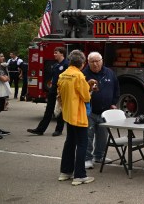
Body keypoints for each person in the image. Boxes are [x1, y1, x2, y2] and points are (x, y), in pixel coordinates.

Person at [57, 50, 94, 186]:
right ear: (82, 64)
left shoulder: (63, 75)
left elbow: (59, 92)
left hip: (67, 113)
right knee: (82, 144)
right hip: (78, 114)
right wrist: (89, 88)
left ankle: (65, 172)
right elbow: (86, 96)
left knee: (70, 142)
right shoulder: (79, 76)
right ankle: (79, 175)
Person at [82, 52, 119, 169]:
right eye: (92, 61)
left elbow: (116, 89)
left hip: (105, 112)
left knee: (103, 136)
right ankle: (87, 159)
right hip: (89, 111)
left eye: (97, 61)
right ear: (88, 63)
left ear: (102, 61)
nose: (95, 64)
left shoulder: (109, 73)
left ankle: (99, 156)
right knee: (88, 136)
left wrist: (113, 103)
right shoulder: (83, 74)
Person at [28, 47, 69, 136]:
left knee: (59, 110)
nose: (54, 54)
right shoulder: (55, 65)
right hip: (53, 88)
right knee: (48, 110)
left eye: (56, 53)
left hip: (61, 89)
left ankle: (58, 130)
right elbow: (53, 77)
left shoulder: (66, 64)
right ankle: (40, 129)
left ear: (62, 54)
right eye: (54, 53)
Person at [0, 52, 12, 139]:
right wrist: (6, 77)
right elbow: (3, 79)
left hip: (1, 92)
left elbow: (8, 77)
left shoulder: (1, 66)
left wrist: (6, 77)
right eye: (1, 56)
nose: (3, 57)